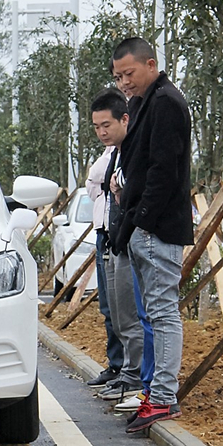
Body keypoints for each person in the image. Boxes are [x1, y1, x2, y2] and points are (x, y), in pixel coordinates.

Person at [111, 37, 192, 432]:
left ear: (151, 63)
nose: (124, 82)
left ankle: (163, 397)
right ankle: (157, 392)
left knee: (162, 314)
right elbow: (140, 166)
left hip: (158, 228)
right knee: (154, 313)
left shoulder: (166, 103)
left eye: (129, 74)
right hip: (142, 226)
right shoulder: (144, 102)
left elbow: (164, 172)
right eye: (118, 77)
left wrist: (142, 221)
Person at [88, 88, 148, 408]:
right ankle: (126, 370)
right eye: (96, 127)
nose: (101, 132)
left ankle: (136, 375)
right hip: (114, 237)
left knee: (133, 313)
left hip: (130, 239)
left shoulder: (133, 150)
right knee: (116, 311)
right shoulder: (115, 154)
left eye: (106, 125)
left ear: (125, 118)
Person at [83, 144, 124, 389]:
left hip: (119, 231)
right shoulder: (109, 151)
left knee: (124, 308)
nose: (102, 132)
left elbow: (101, 174)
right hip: (103, 232)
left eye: (106, 124)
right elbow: (92, 181)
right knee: (108, 306)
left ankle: (129, 368)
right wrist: (105, 182)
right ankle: (116, 364)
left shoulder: (124, 148)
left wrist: (107, 180)